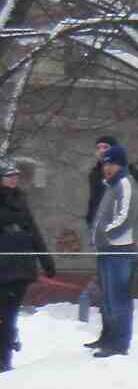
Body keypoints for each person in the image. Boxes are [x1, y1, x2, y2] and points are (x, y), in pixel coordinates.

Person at [0, 158, 55, 370]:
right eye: (8, 176)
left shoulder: (21, 200)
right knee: (3, 316)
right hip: (3, 265)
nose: (13, 180)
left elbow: (33, 230)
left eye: (15, 176)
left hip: (20, 266)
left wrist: (46, 260)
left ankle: (5, 356)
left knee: (9, 315)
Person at [90, 144, 138, 358]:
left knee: (118, 298)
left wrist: (105, 235)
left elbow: (126, 217)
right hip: (107, 250)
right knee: (108, 298)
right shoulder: (111, 186)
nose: (107, 168)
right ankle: (109, 338)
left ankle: (119, 344)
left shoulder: (125, 183)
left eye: (112, 164)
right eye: (105, 164)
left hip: (120, 250)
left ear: (121, 165)